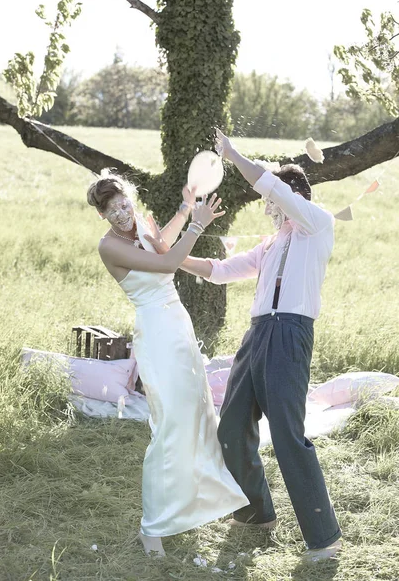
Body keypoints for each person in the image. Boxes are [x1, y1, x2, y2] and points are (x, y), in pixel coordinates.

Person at [146, 131, 342, 561]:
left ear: (296, 197)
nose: (270, 208)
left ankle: (324, 538)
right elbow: (220, 269)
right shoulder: (271, 243)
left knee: (288, 435)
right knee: (231, 426)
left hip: (290, 333)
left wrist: (232, 154)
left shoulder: (317, 223)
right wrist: (170, 255)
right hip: (257, 334)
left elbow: (271, 187)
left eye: (276, 201)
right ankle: (256, 513)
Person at [86, 171, 249, 558]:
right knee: (171, 423)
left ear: (130, 199)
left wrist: (186, 205)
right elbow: (169, 264)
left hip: (178, 324)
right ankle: (152, 528)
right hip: (156, 333)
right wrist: (197, 225)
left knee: (196, 412)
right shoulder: (108, 247)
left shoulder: (139, 221)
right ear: (102, 215)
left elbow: (161, 244)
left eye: (124, 203)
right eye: (112, 210)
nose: (122, 213)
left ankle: (197, 503)